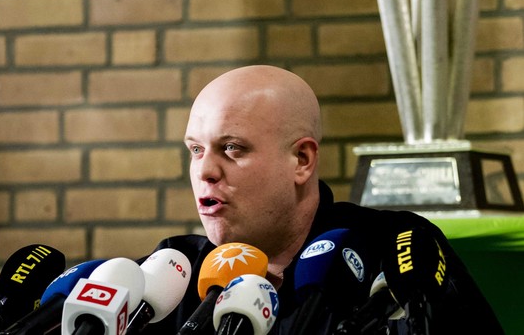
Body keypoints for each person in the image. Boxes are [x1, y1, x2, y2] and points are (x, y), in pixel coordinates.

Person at [140, 65, 503, 334]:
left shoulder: (392, 249)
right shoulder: (170, 273)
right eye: (196, 150)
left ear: (302, 161)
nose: (205, 171)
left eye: (232, 148)